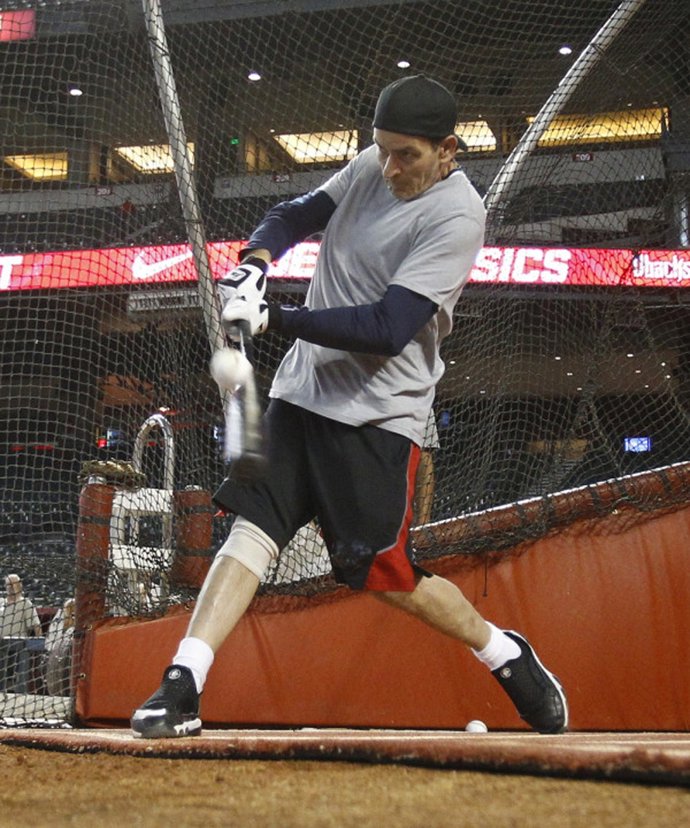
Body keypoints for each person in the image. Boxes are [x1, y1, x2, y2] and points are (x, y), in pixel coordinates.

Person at [131, 75, 568, 738]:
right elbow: (296, 214)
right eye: (382, 150)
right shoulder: (374, 162)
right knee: (252, 530)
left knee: (382, 576)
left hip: (379, 416)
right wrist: (254, 263)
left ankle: (503, 652)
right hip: (302, 397)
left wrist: (276, 317)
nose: (389, 167)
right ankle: (182, 683)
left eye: (407, 156)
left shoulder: (457, 217)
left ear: (448, 149)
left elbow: (386, 329)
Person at [0, 573, 42, 691]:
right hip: (1, 646)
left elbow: (35, 625)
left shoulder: (25, 604)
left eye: (14, 584)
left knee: (17, 680)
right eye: (8, 584)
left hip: (17, 648)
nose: (11, 587)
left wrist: (40, 646)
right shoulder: (1, 602)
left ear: (20, 585)